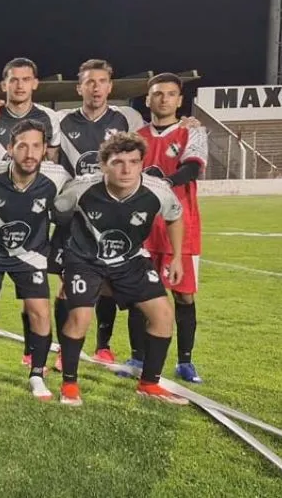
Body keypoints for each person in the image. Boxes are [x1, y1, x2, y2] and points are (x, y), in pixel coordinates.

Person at [53, 132, 188, 406]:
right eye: (118, 162)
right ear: (104, 165)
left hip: (130, 260)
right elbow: (58, 214)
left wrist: (177, 258)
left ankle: (149, 383)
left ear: (141, 164)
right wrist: (62, 260)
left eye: (134, 162)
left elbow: (174, 217)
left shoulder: (158, 190)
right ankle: (69, 385)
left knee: (163, 315)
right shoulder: (81, 188)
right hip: (85, 260)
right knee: (80, 317)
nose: (126, 170)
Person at [51, 59, 146, 368]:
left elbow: (146, 148)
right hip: (74, 216)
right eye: (90, 82)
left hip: (111, 214)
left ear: (110, 86)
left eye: (102, 81)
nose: (96, 87)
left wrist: (187, 123)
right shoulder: (61, 121)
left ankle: (103, 345)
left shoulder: (127, 119)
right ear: (79, 87)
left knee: (108, 281)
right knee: (67, 285)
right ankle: (65, 350)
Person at [0, 120, 71, 401]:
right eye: (22, 146)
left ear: (45, 149)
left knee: (40, 312)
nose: (30, 153)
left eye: (36, 146)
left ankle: (37, 375)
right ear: (10, 148)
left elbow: (70, 212)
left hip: (30, 254)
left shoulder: (58, 177)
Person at [124, 73, 207, 383]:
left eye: (171, 94)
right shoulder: (136, 136)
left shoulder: (192, 131)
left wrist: (164, 182)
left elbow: (192, 168)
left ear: (179, 100)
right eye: (158, 94)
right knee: (138, 295)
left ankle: (185, 362)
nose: (164, 99)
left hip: (181, 229)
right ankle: (137, 357)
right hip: (142, 229)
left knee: (184, 297)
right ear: (148, 99)